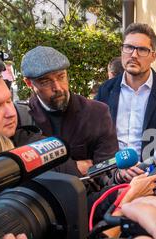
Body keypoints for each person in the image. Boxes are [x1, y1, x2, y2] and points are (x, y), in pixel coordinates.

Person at [95, 23, 156, 182]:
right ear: (122, 50)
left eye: (142, 50)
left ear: (153, 56)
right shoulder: (106, 90)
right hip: (112, 181)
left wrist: (151, 169)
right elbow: (95, 139)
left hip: (155, 184)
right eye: (129, 47)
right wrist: (116, 171)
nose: (133, 54)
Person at [20, 46, 118, 176]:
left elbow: (108, 170)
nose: (57, 87)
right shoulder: (21, 117)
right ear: (28, 83)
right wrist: (74, 168)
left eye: (61, 77)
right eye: (45, 81)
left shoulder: (97, 113)